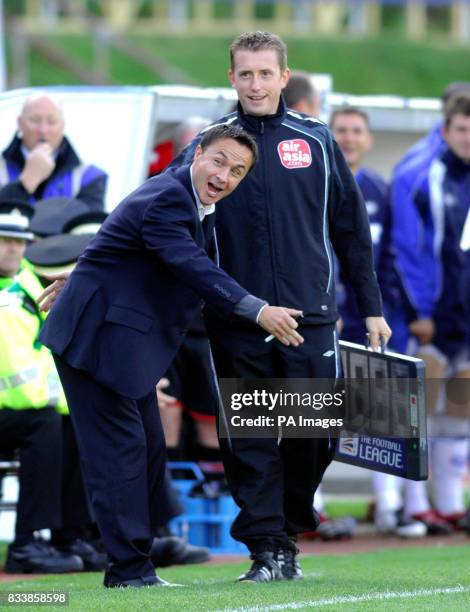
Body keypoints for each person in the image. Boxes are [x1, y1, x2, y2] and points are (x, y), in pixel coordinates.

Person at [38, 124, 305, 588]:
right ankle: (128, 571)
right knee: (120, 456)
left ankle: (141, 555)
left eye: (237, 171)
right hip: (99, 339)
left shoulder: (192, 200)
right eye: (219, 161)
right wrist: (257, 310)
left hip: (119, 338)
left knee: (147, 450)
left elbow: (119, 242)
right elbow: (190, 264)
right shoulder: (170, 197)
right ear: (197, 153)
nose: (225, 175)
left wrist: (84, 273)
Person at [172, 31, 391, 583]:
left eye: (265, 73)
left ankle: (288, 526)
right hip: (237, 320)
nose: (255, 84)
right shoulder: (207, 146)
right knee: (248, 441)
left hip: (309, 319)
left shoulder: (315, 140)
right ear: (231, 78)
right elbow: (166, 221)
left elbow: (351, 229)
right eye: (245, 74)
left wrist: (372, 308)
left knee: (312, 438)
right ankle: (268, 548)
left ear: (284, 76)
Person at [330, 106, 429, 539]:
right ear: (328, 136)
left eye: (357, 131)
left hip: (371, 316)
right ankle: (309, 510)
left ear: (369, 139)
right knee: (313, 408)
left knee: (383, 411)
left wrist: (390, 310)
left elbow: (394, 257)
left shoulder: (380, 190)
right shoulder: (314, 183)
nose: (349, 138)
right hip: (323, 316)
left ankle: (390, 508)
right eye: (342, 131)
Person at [390, 92, 470, 531]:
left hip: (465, 311)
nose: (468, 138)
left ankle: (449, 501)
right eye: (462, 129)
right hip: (429, 313)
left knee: (460, 402)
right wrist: (420, 308)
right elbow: (406, 248)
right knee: (420, 403)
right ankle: (412, 503)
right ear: (447, 129)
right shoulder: (420, 173)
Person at [0, 200, 84, 574]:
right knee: (46, 424)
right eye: (4, 240)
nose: (12, 249)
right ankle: (26, 544)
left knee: (76, 424)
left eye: (19, 242)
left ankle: (73, 536)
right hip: (16, 411)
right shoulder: (15, 295)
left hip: (19, 410)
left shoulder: (25, 290)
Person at [0, 92, 107, 210]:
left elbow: (89, 224)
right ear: (19, 123)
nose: (43, 130)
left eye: (51, 121)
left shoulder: (89, 177)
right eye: (35, 120)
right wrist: (26, 182)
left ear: (62, 125)